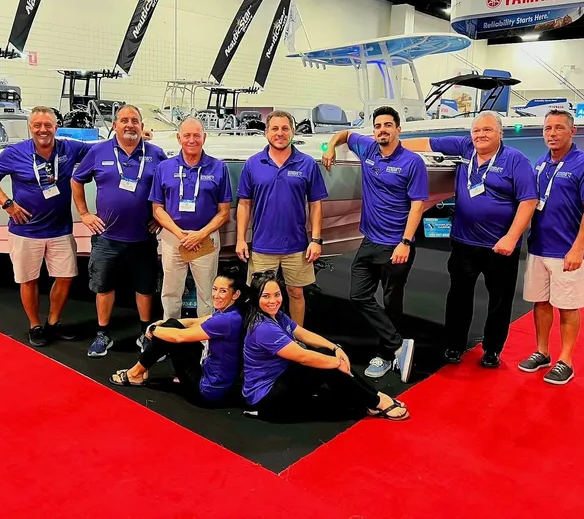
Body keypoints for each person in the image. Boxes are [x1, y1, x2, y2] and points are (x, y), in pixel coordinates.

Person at [403, 111, 538, 368]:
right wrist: (388, 145)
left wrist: (511, 237)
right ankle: (454, 345)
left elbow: (528, 201)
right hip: (464, 243)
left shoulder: (515, 161)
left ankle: (492, 349)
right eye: (476, 130)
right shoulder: (465, 147)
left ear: (501, 133)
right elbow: (425, 143)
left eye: (487, 130)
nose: (480, 135)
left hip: (501, 247)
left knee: (499, 301)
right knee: (458, 297)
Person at [321, 106, 428, 382]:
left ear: (398, 129)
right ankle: (398, 345)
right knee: (359, 295)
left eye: (388, 125)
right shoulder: (368, 149)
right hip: (369, 240)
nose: (383, 130)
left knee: (392, 302)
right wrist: (331, 146)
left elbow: (418, 205)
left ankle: (385, 354)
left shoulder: (412, 162)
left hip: (396, 244)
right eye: (378, 126)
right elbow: (345, 134)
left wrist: (405, 242)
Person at [0, 106, 90, 347]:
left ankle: (53, 321)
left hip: (60, 229)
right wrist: (8, 204)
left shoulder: (69, 148)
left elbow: (100, 150)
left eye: (48, 125)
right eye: (37, 125)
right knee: (28, 280)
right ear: (30, 128)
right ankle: (34, 325)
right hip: (25, 230)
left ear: (56, 127)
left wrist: (135, 137)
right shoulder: (15, 153)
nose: (43, 130)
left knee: (66, 277)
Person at [241, 271, 409, 421]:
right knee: (324, 364)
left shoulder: (276, 315)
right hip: (265, 398)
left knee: (325, 354)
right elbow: (303, 357)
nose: (273, 300)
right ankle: (376, 401)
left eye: (277, 294)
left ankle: (374, 398)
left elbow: (302, 333)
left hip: (281, 377)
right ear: (256, 298)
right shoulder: (263, 328)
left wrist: (335, 348)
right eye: (266, 296)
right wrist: (336, 362)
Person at [71, 104, 168, 358]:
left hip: (143, 237)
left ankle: (145, 333)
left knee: (145, 288)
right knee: (104, 287)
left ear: (142, 126)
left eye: (134, 120)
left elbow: (170, 186)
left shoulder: (156, 154)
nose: (129, 125)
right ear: (114, 125)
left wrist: (161, 218)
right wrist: (84, 213)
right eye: (124, 120)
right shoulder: (98, 151)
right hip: (107, 238)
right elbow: (76, 180)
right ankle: (103, 334)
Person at [519, 110, 584, 385]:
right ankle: (542, 351)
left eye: (558, 128)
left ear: (572, 131)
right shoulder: (541, 163)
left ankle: (565, 359)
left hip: (567, 250)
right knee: (541, 303)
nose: (552, 134)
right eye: (547, 129)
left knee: (567, 306)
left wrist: (579, 247)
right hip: (538, 247)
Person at [235, 110, 328, 327]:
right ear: (266, 133)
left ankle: (297, 339)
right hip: (262, 246)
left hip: (297, 246)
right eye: (274, 129)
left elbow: (315, 204)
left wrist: (316, 240)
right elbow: (244, 204)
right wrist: (240, 238)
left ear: (293, 132)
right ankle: (262, 338)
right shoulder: (253, 164)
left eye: (285, 128)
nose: (280, 133)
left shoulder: (307, 164)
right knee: (261, 295)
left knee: (296, 293)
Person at [109, 270, 245, 405]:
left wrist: (153, 330)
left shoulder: (226, 320)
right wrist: (161, 324)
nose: (216, 295)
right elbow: (195, 322)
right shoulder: (232, 313)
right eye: (215, 289)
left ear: (236, 294)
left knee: (170, 334)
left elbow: (179, 337)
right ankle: (139, 371)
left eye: (223, 291)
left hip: (206, 393)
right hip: (216, 380)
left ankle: (135, 374)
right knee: (172, 324)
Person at [150, 117, 232, 320]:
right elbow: (157, 209)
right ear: (179, 138)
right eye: (187, 135)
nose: (192, 140)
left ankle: (206, 344)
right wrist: (180, 234)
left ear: (204, 138)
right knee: (170, 293)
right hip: (172, 238)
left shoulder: (219, 168)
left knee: (208, 295)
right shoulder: (164, 168)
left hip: (206, 238)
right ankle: (171, 339)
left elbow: (224, 212)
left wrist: (200, 234)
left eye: (196, 135)